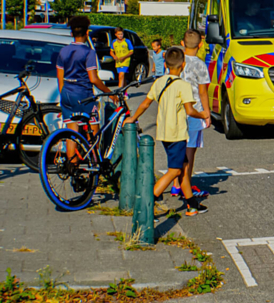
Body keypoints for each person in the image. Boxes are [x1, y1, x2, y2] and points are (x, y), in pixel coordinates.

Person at [124, 47, 208, 216]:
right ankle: (146, 202)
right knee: (174, 171)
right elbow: (190, 111)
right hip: (177, 133)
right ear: (183, 65)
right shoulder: (183, 86)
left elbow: (146, 103)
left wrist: (133, 118)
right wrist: (203, 114)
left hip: (163, 133)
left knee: (183, 167)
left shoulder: (159, 82)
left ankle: (192, 204)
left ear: (167, 64)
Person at [56, 16, 111, 158]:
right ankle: (95, 162)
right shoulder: (89, 52)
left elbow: (60, 78)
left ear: (71, 34)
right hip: (84, 95)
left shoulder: (63, 51)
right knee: (94, 131)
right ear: (87, 33)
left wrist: (63, 94)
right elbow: (93, 78)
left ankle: (72, 166)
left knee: (72, 134)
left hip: (67, 93)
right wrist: (109, 92)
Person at [170, 30, 212, 200]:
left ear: (182, 43)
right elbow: (203, 91)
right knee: (190, 149)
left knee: (177, 146)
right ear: (200, 44)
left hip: (176, 108)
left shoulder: (176, 62)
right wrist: (207, 113)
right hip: (194, 110)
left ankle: (175, 184)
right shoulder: (200, 65)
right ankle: (185, 183)